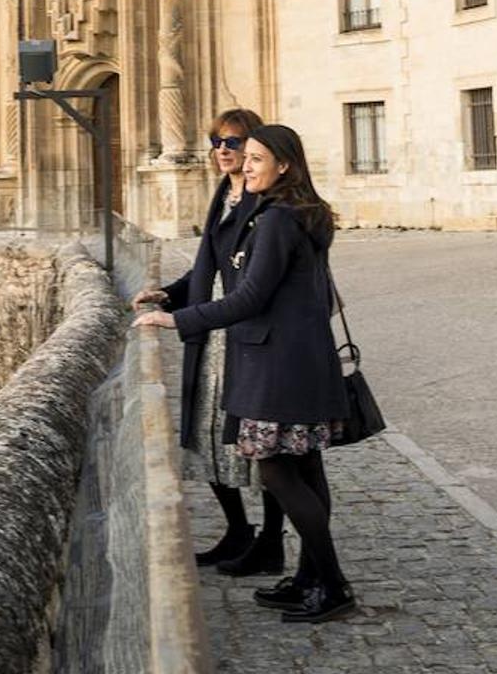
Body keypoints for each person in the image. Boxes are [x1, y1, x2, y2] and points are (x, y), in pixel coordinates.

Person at [133, 124, 355, 624]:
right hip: (296, 361)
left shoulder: (276, 220)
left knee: (277, 469)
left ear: (285, 166)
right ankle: (309, 577)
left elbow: (250, 297)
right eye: (244, 156)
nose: (244, 165)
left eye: (255, 158)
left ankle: (332, 583)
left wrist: (176, 319)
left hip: (276, 365)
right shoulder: (294, 214)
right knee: (303, 470)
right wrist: (177, 293)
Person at [132, 107, 287, 576]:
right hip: (213, 332)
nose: (223, 150)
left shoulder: (265, 203)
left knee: (261, 445)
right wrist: (169, 295)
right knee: (207, 432)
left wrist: (177, 320)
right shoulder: (224, 193)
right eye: (217, 142)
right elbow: (209, 267)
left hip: (245, 334)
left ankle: (271, 540)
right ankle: (238, 530)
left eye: (234, 142)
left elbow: (254, 285)